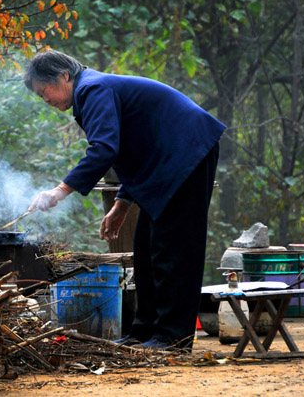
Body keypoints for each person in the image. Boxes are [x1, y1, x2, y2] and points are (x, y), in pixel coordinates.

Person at [25, 49, 226, 351]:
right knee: (145, 248)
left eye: (45, 91)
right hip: (165, 158)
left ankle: (174, 337)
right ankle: (144, 331)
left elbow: (104, 149)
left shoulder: (92, 89)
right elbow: (130, 150)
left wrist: (60, 190)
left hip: (187, 150)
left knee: (173, 247)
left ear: (64, 76)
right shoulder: (90, 91)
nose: (46, 100)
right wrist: (122, 204)